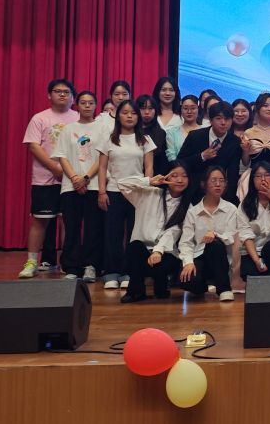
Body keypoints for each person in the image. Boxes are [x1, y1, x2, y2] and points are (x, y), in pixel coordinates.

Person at [19, 79, 79, 278]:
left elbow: (85, 145)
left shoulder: (79, 118)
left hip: (72, 179)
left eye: (66, 92)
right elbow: (34, 146)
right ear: (49, 95)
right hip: (44, 179)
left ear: (72, 97)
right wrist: (54, 167)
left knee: (69, 222)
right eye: (57, 91)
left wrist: (69, 171)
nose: (62, 94)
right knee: (40, 221)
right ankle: (31, 262)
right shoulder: (40, 118)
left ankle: (67, 262)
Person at [97, 99, 156, 289]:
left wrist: (147, 190)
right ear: (118, 116)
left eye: (133, 113)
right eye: (125, 113)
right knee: (112, 234)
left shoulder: (145, 140)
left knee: (134, 234)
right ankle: (111, 272)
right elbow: (102, 167)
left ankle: (129, 272)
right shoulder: (109, 139)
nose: (129, 116)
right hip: (114, 191)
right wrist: (101, 191)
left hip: (137, 193)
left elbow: (149, 168)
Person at [116, 163, 191, 303]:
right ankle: (135, 291)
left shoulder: (187, 206)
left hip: (166, 253)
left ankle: (161, 284)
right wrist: (149, 181)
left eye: (184, 176)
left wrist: (158, 251)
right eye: (174, 175)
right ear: (166, 176)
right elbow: (121, 183)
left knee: (167, 262)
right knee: (135, 246)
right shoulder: (149, 193)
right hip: (141, 251)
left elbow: (173, 232)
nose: (180, 180)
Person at [52, 90, 104, 281]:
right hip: (70, 186)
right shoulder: (68, 129)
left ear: (96, 105)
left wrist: (86, 178)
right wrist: (75, 178)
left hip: (94, 185)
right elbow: (62, 156)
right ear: (77, 105)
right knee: (72, 228)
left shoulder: (103, 129)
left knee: (93, 228)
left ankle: (90, 265)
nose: (87, 106)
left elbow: (103, 157)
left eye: (91, 103)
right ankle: (72, 267)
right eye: (83, 103)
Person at [178, 166, 238, 301]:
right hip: (199, 257)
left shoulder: (231, 209)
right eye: (213, 180)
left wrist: (215, 234)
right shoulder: (193, 212)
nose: (218, 184)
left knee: (214, 244)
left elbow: (231, 236)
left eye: (221, 181)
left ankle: (224, 289)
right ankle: (202, 287)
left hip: (222, 259)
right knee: (185, 279)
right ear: (203, 184)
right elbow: (186, 242)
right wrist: (188, 263)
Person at [176, 101, 243, 203]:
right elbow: (180, 162)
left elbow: (232, 173)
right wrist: (202, 156)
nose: (223, 122)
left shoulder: (235, 142)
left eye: (227, 119)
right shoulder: (195, 136)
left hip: (220, 192)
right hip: (194, 190)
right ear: (210, 120)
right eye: (218, 118)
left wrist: (227, 199)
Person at [136, 94, 169, 176]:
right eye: (142, 108)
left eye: (150, 108)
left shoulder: (161, 133)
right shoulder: (130, 131)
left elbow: (163, 162)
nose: (147, 112)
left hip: (154, 177)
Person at [165, 94, 202, 161]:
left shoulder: (205, 130)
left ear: (198, 109)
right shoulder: (172, 132)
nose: (189, 112)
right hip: (178, 166)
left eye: (193, 108)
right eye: (185, 108)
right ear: (181, 110)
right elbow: (171, 156)